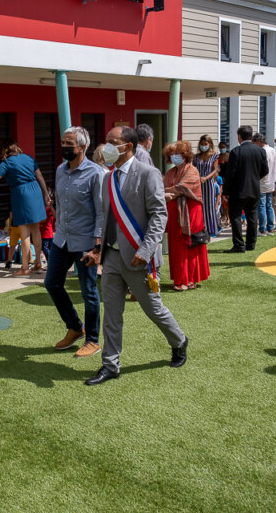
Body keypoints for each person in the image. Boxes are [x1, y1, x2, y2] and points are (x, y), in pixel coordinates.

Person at [82, 126, 188, 386]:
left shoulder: (148, 173)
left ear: (128, 147)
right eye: (106, 141)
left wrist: (145, 250)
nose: (106, 147)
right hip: (113, 258)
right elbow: (105, 217)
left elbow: (158, 215)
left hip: (140, 258)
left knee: (153, 309)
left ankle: (179, 341)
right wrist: (98, 249)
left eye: (112, 142)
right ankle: (110, 365)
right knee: (112, 314)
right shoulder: (108, 178)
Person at [44, 126, 104, 358]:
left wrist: (97, 246)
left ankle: (93, 340)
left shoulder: (96, 173)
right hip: (62, 239)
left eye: (69, 144)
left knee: (88, 291)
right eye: (63, 143)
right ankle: (75, 327)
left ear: (82, 147)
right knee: (52, 284)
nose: (64, 147)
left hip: (85, 242)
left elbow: (101, 212)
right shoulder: (60, 170)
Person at [0, 138, 51, 276]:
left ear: (4, 150)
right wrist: (45, 194)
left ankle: (25, 268)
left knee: (24, 233)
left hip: (22, 194)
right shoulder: (28, 158)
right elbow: (40, 176)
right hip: (35, 191)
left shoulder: (7, 163)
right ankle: (38, 263)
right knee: (35, 230)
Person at [164, 141, 210, 290]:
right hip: (174, 211)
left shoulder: (192, 170)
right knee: (176, 245)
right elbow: (168, 189)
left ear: (185, 155)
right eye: (171, 154)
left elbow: (180, 188)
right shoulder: (171, 172)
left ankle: (190, 279)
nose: (174, 156)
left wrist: (165, 191)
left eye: (177, 154)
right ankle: (180, 278)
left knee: (190, 243)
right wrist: (167, 191)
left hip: (191, 211)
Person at [223, 126, 268, 253]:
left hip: (238, 190)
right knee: (252, 217)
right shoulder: (260, 151)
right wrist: (255, 178)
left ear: (240, 136)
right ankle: (250, 244)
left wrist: (226, 191)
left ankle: (239, 244)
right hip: (254, 189)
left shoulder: (236, 151)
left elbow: (230, 174)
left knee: (236, 217)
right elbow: (265, 170)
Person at [193, 134, 220, 237]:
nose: (203, 146)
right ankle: (201, 228)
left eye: (205, 144)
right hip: (198, 184)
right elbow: (194, 168)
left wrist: (206, 178)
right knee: (199, 206)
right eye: (202, 144)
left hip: (208, 183)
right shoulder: (196, 157)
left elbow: (215, 170)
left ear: (209, 144)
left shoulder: (214, 156)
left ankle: (211, 228)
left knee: (209, 206)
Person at [254, 132, 276, 236]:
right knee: (269, 206)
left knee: (262, 206)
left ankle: (262, 229)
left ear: (259, 141)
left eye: (254, 142)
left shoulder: (262, 151)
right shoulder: (273, 150)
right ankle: (270, 228)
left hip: (262, 181)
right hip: (272, 181)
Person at [39, 189, 55, 265]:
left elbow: (55, 217)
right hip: (45, 232)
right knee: (47, 248)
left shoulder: (49, 209)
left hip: (47, 232)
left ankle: (51, 261)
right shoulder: (44, 208)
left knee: (45, 248)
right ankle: (50, 264)